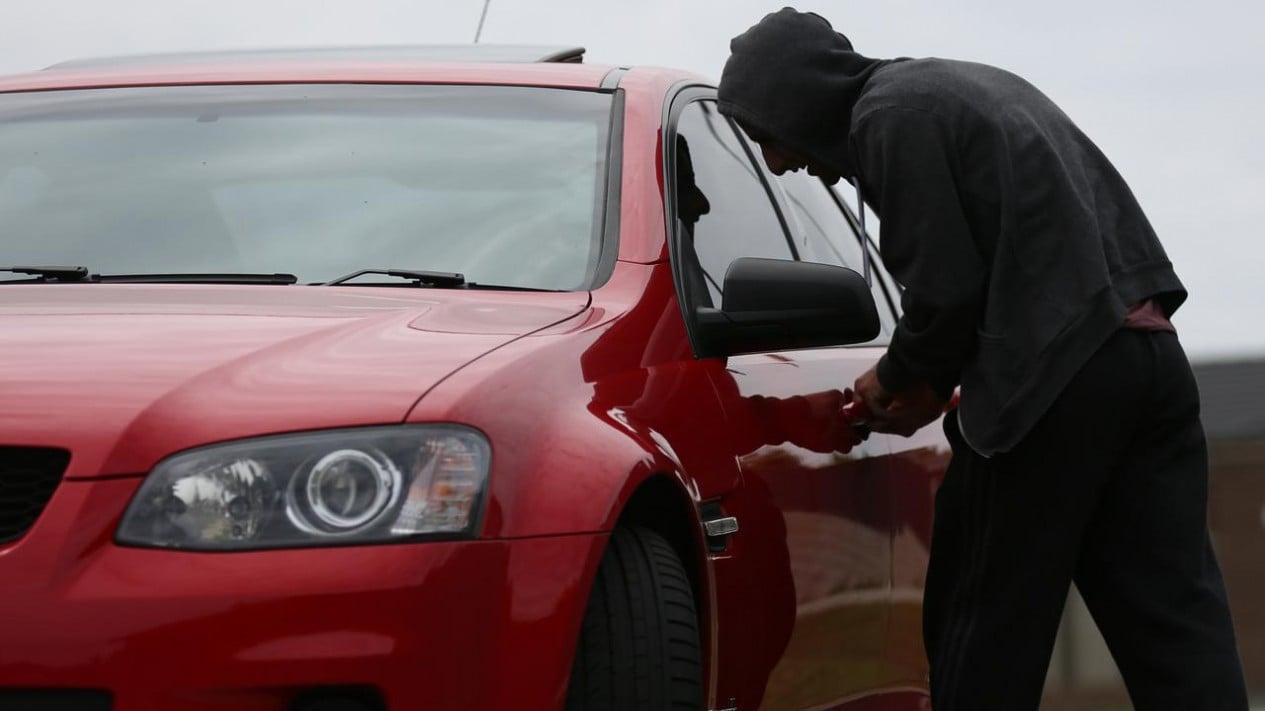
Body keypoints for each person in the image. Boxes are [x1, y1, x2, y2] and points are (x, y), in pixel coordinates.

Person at [717, 8, 1247, 710]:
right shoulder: (955, 89)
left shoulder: (889, 116)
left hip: (1054, 376)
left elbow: (943, 293)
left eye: (766, 136)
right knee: (1172, 619)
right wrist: (931, 381)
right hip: (1148, 361)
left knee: (984, 623)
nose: (778, 161)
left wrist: (895, 379)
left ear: (795, 101)